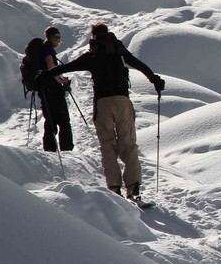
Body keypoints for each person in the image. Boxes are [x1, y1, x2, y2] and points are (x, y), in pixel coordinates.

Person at [45, 23, 166, 200]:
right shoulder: (118, 50)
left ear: (93, 36)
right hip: (123, 101)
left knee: (108, 144)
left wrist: (45, 75)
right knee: (128, 143)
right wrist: (154, 79)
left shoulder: (92, 54)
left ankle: (114, 188)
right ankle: (133, 187)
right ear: (108, 34)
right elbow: (137, 64)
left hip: (102, 103)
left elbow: (67, 67)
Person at [38, 25, 74, 153]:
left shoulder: (42, 49)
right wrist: (62, 81)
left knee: (50, 120)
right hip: (53, 90)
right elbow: (51, 68)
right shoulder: (48, 50)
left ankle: (49, 148)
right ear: (49, 38)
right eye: (56, 37)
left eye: (59, 38)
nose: (58, 40)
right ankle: (66, 148)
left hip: (45, 90)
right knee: (63, 120)